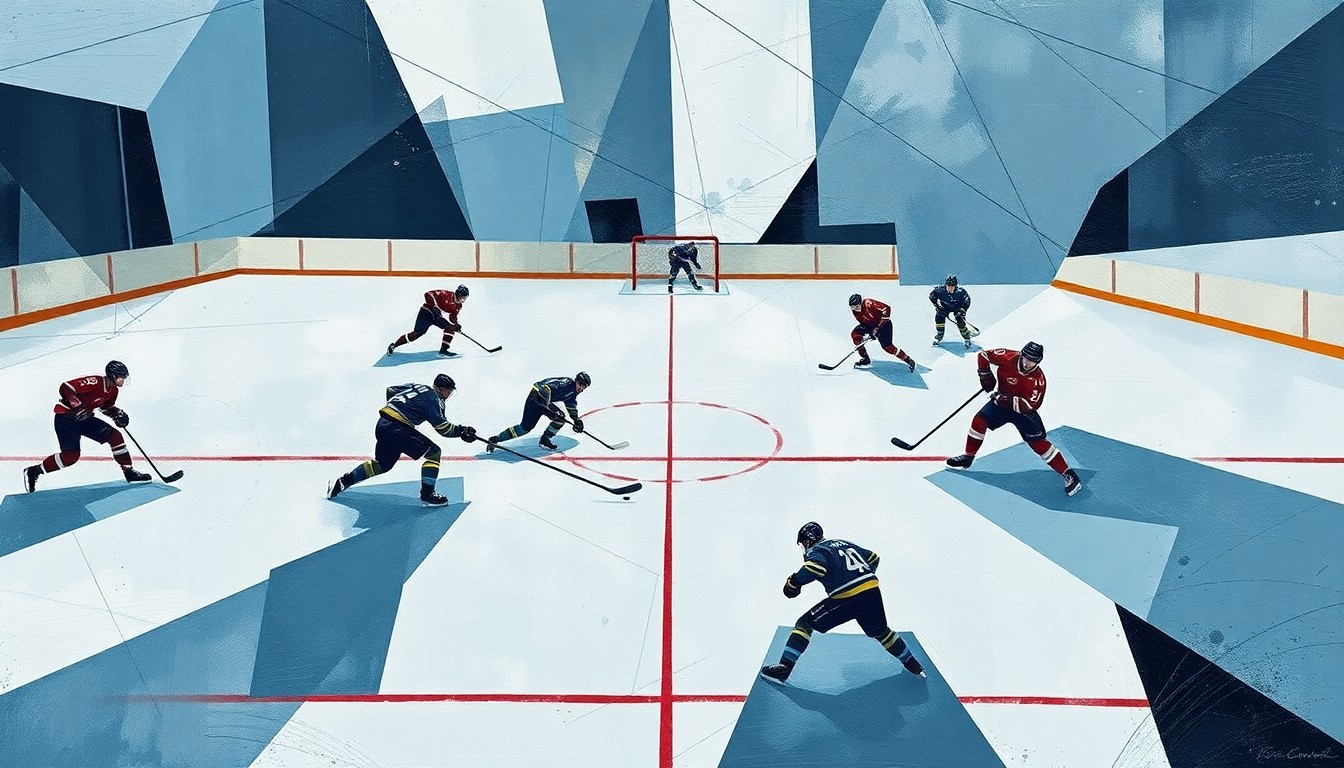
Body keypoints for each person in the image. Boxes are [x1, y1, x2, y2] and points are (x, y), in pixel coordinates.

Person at [760, 522, 926, 685]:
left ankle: (785, 667)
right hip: (872, 592)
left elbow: (815, 568)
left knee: (804, 624)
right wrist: (861, 577)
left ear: (808, 540)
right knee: (882, 632)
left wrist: (794, 582)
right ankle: (914, 666)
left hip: (847, 598)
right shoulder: (845, 543)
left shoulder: (818, 550)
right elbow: (873, 557)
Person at [946, 342, 1082, 496]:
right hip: (1000, 403)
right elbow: (983, 355)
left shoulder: (1038, 380)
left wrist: (1004, 399)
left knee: (1038, 444)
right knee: (979, 421)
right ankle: (968, 457)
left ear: (1038, 362)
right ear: (1021, 354)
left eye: (1032, 360)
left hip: (1021, 411)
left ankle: (1069, 474)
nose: (1027, 362)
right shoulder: (1008, 356)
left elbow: (1029, 406)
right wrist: (985, 374)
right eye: (1026, 357)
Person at [327, 374, 477, 506]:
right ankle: (427, 494)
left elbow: (391, 390)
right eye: (449, 392)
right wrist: (461, 431)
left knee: (382, 464)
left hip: (383, 424)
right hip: (398, 428)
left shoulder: (418, 386)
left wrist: (402, 410)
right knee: (434, 453)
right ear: (443, 390)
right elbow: (444, 428)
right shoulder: (435, 399)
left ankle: (342, 482)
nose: (448, 395)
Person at [23, 360, 151, 492]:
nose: (122, 381)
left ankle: (129, 471)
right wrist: (77, 405)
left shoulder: (113, 391)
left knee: (115, 437)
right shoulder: (95, 382)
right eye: (121, 377)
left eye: (124, 378)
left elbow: (105, 407)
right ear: (112, 375)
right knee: (70, 457)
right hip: (66, 418)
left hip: (85, 420)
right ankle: (34, 471)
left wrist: (117, 413)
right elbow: (66, 387)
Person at [486, 372, 590, 452]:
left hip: (545, 403)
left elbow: (571, 404)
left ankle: (545, 439)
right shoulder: (565, 384)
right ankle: (495, 439)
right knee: (525, 428)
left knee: (560, 419)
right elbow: (543, 387)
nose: (581, 388)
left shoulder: (573, 392)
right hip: (535, 399)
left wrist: (576, 420)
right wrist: (549, 408)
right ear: (576, 381)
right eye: (580, 384)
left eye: (584, 386)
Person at [387, 285, 469, 358]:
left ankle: (443, 351)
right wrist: (433, 306)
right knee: (416, 334)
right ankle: (394, 345)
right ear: (458, 294)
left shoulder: (458, 305)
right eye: (462, 298)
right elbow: (427, 294)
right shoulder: (445, 294)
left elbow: (452, 316)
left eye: (465, 299)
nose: (463, 301)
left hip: (437, 316)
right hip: (426, 313)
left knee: (450, 329)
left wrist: (456, 324)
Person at [848, 293, 916, 372]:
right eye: (852, 307)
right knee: (856, 335)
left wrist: (877, 328)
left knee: (888, 347)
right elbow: (863, 323)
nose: (856, 309)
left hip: (885, 325)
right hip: (871, 326)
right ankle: (865, 358)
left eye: (857, 306)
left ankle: (908, 360)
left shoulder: (869, 303)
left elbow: (886, 309)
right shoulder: (855, 311)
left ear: (861, 302)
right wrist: (869, 334)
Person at [929, 274, 973, 348]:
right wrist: (937, 306)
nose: (951, 287)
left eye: (953, 285)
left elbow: (967, 300)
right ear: (946, 284)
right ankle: (939, 337)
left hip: (957, 308)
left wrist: (963, 310)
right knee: (939, 318)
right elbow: (932, 296)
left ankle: (967, 339)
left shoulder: (961, 292)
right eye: (949, 285)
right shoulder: (939, 290)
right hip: (944, 308)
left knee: (960, 321)